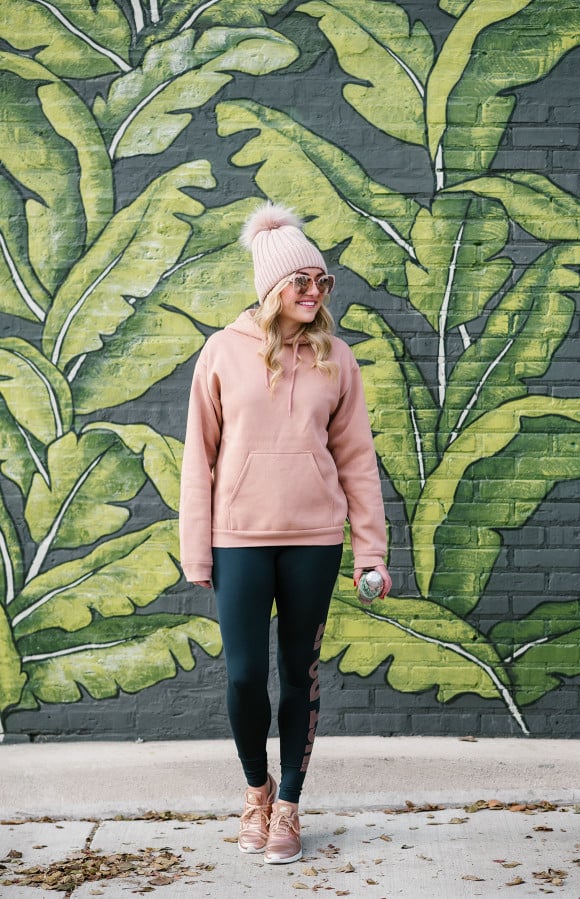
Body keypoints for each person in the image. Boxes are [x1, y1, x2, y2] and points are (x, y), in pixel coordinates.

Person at [179, 203, 391, 864]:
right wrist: (195, 546)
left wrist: (370, 552)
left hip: (314, 540)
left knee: (298, 674)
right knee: (244, 676)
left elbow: (357, 459)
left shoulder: (337, 359)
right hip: (238, 537)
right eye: (300, 280)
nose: (313, 291)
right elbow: (199, 455)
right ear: (271, 285)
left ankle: (290, 807)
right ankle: (257, 790)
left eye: (320, 281)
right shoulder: (222, 352)